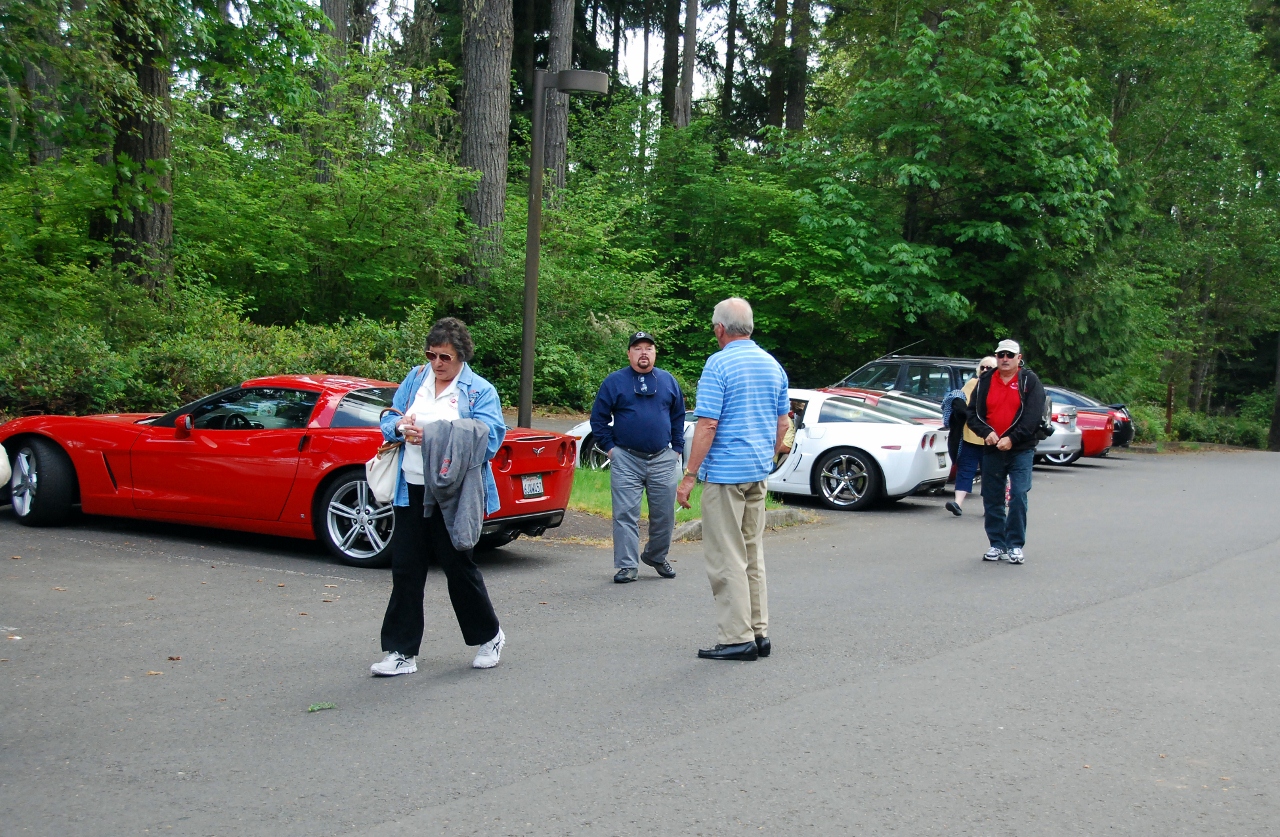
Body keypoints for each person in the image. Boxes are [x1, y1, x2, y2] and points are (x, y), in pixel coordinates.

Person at [371, 317, 508, 675]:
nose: (437, 363)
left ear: (461, 356)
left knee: (458, 568)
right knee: (405, 569)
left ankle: (489, 636)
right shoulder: (416, 379)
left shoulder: (479, 390)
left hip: (453, 494)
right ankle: (401, 652)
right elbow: (388, 419)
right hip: (410, 488)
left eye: (444, 357)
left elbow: (491, 438)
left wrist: (433, 434)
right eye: (431, 354)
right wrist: (401, 428)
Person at [677, 298, 790, 662]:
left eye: (714, 327)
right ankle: (759, 632)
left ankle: (735, 638)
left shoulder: (719, 364)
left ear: (720, 329)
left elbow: (707, 424)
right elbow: (784, 423)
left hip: (725, 475)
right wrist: (766, 455)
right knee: (752, 554)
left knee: (726, 556)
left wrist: (689, 475)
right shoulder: (773, 365)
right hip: (757, 474)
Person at [589, 331, 687, 583]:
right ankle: (627, 566)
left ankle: (655, 555)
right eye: (638, 348)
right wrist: (611, 448)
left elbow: (678, 416)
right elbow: (598, 419)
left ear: (655, 353)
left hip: (662, 458)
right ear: (629, 353)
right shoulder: (614, 381)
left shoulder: (667, 381)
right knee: (625, 514)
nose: (643, 353)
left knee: (665, 515)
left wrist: (677, 448)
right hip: (626, 459)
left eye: (649, 348)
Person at [965, 340, 1046, 565]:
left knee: (1018, 494)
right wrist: (986, 433)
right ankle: (997, 543)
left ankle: (1015, 545)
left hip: (1020, 448)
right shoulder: (985, 381)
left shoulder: (1029, 381)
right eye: (1001, 355)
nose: (1005, 359)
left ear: (1019, 358)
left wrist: (1012, 438)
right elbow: (972, 414)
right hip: (992, 448)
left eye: (1010, 355)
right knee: (992, 497)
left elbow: (1032, 417)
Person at [944, 355, 997, 516]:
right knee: (965, 470)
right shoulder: (972, 384)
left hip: (991, 440)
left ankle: (990, 507)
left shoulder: (998, 387)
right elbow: (964, 407)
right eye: (983, 367)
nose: (985, 370)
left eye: (989, 368)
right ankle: (957, 504)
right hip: (970, 437)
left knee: (991, 474)